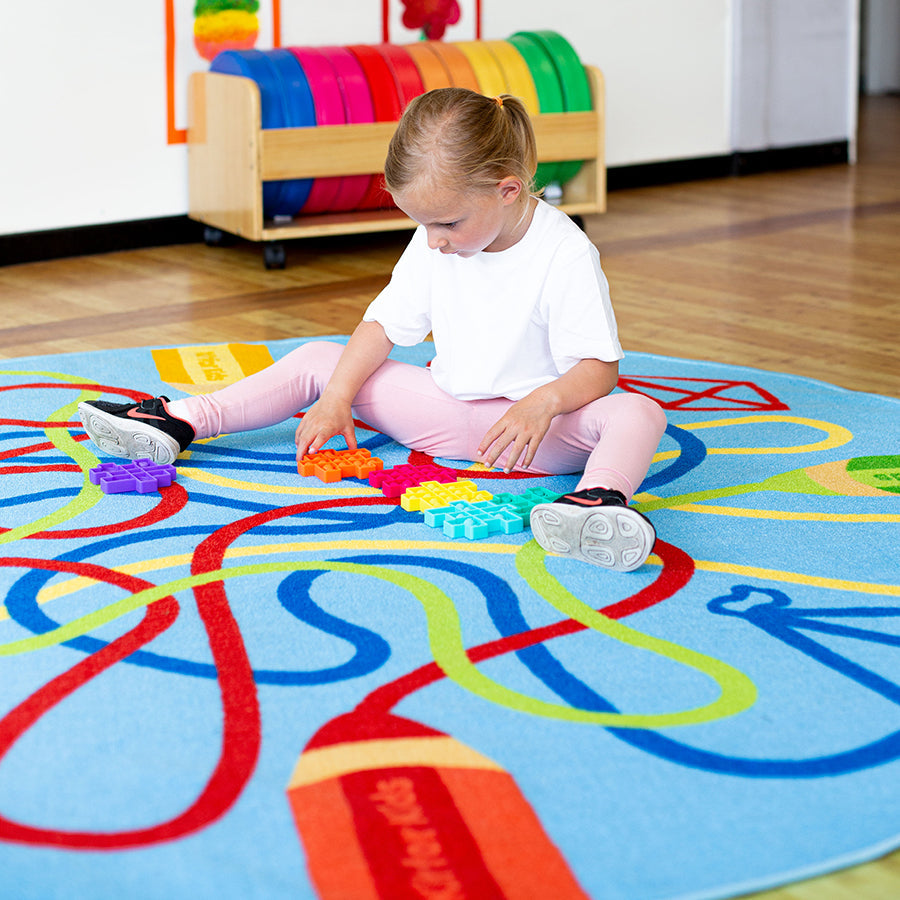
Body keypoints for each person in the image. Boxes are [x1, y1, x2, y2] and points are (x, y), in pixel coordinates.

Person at [79, 88, 667, 572]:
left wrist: (543, 404)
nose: (434, 239)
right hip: (443, 411)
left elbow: (599, 368)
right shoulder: (436, 238)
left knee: (637, 414)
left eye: (447, 223)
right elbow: (381, 327)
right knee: (317, 358)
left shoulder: (564, 252)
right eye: (422, 223)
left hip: (535, 432)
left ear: (507, 190)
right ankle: (183, 420)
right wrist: (336, 399)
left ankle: (598, 499)